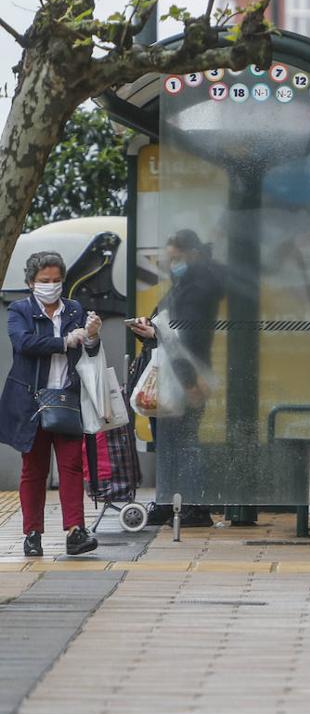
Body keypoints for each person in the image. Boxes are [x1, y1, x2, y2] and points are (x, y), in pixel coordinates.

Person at [0, 252, 102, 557]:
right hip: (32, 402)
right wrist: (63, 342)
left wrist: (92, 336)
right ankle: (33, 533)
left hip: (67, 399)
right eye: (45, 281)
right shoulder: (19, 310)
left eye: (57, 280)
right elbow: (24, 344)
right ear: (31, 282)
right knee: (34, 468)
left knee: (71, 465)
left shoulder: (74, 309)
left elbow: (90, 352)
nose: (52, 286)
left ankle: (76, 532)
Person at [127, 229, 225, 527]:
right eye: (169, 259)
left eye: (176, 258)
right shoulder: (185, 283)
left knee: (184, 443)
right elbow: (169, 325)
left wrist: (190, 382)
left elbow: (185, 339)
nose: (172, 265)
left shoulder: (197, 286)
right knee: (171, 443)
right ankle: (170, 501)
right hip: (178, 373)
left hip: (183, 376)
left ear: (192, 255)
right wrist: (152, 327)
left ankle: (193, 506)